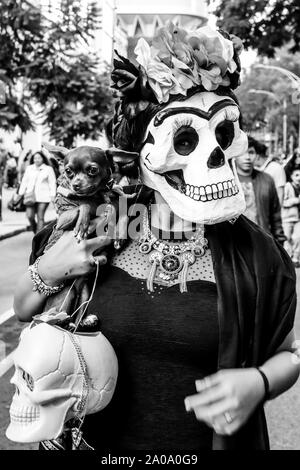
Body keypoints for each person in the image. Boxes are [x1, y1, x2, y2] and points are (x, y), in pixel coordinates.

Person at [13, 24, 299, 451]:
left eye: (222, 134)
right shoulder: (99, 225)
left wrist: (260, 381)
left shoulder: (255, 252)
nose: (215, 155)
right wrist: (49, 270)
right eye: (183, 139)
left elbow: (289, 353)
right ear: (138, 153)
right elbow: (22, 309)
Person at [235, 147, 286, 245]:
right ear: (234, 155)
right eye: (242, 153)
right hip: (235, 242)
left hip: (261, 240)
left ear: (257, 155)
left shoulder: (267, 180)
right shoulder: (227, 181)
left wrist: (280, 240)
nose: (247, 157)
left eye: (251, 152)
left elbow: (275, 215)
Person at [18, 150, 57, 233]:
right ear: (33, 159)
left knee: (40, 217)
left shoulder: (48, 169)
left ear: (43, 159)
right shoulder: (29, 168)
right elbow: (24, 181)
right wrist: (20, 194)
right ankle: (36, 230)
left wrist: (53, 195)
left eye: (39, 158)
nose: (37, 160)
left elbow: (52, 183)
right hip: (30, 196)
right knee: (29, 216)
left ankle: (38, 236)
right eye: (35, 158)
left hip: (43, 197)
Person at [251, 137, 286, 205]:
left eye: (251, 153)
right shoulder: (253, 169)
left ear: (257, 156)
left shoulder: (276, 168)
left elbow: (280, 194)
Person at [282, 165, 300, 266]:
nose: (299, 177)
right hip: (287, 218)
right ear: (291, 176)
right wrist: (296, 200)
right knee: (287, 239)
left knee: (298, 237)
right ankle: (287, 260)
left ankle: (295, 258)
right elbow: (283, 202)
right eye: (296, 175)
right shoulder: (287, 186)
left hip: (297, 218)